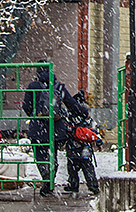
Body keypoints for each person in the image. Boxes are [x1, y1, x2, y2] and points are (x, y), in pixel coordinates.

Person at [21, 62, 89, 196]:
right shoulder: (58, 86)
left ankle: (46, 177)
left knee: (40, 157)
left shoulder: (33, 86)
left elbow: (26, 106)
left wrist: (36, 116)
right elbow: (72, 104)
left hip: (38, 128)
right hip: (55, 127)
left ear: (38, 72)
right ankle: (50, 179)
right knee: (53, 155)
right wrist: (83, 113)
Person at [63, 91, 101, 196]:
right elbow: (94, 132)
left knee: (72, 168)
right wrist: (98, 142)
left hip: (73, 148)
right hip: (85, 149)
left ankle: (73, 185)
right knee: (88, 167)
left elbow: (66, 130)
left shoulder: (71, 117)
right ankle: (93, 185)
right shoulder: (88, 117)